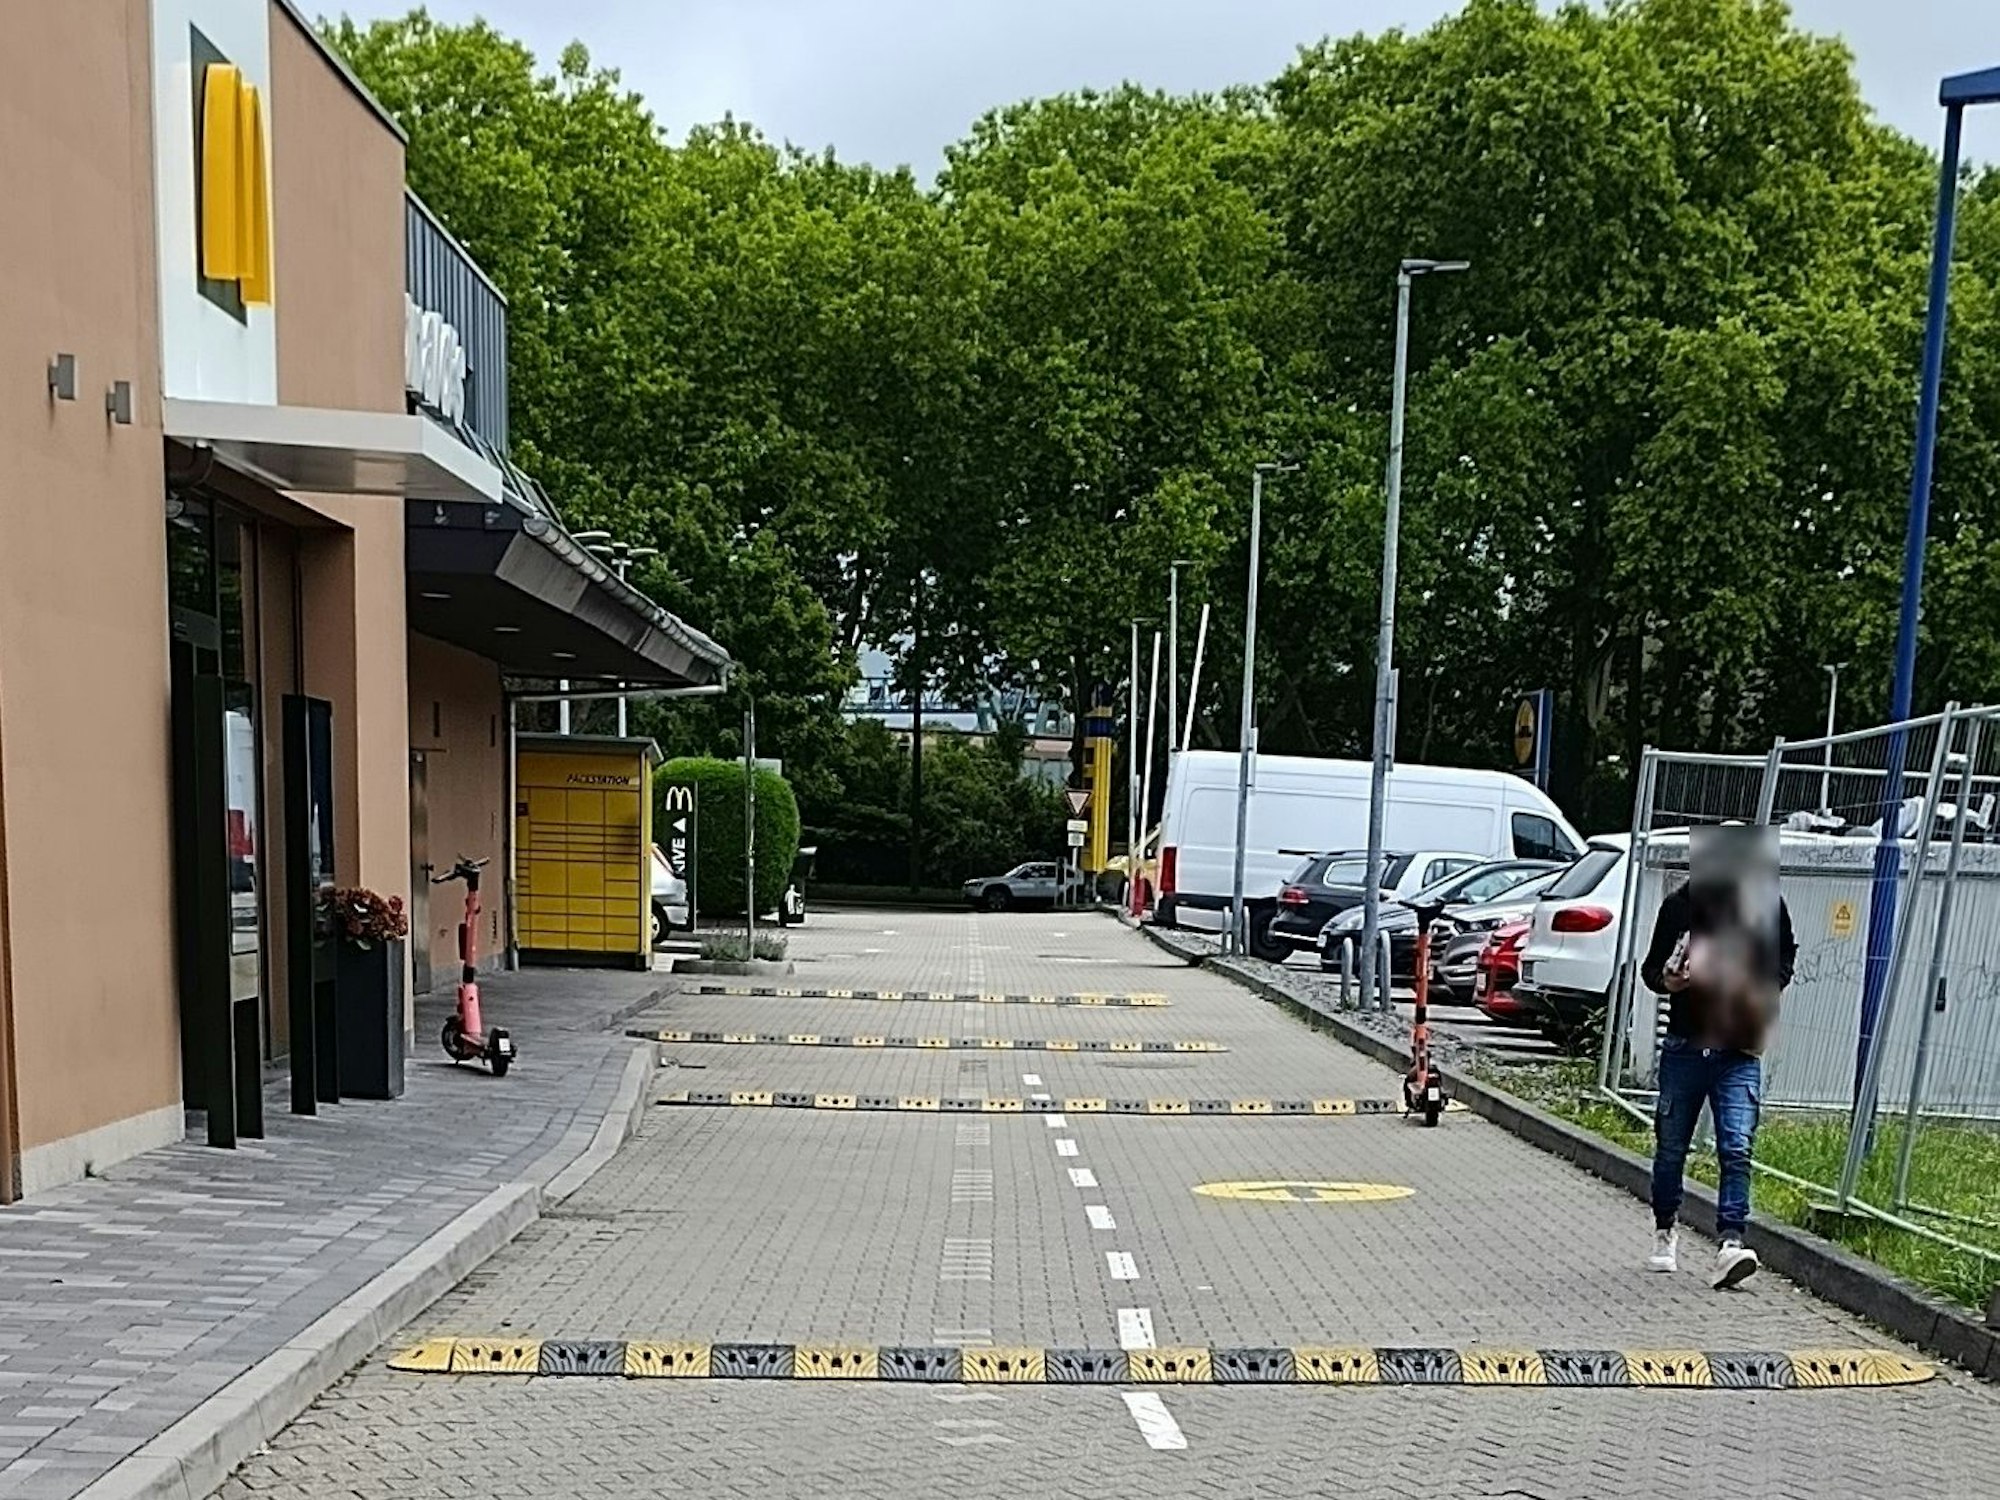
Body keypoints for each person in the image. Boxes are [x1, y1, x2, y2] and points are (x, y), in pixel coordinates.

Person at [1638, 827, 1796, 1289]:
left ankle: (1730, 1241)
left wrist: (1767, 984)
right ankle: (1665, 1229)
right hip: (1686, 1043)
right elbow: (1651, 970)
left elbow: (1786, 955)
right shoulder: (1680, 906)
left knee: (1737, 1144)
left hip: (1738, 1045)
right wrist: (1670, 981)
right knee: (1671, 1148)